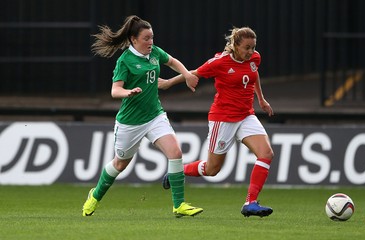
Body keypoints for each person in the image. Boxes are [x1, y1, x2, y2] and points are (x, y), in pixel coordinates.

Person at [82, 15, 203, 218]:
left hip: (154, 115)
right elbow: (115, 90)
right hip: (130, 122)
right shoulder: (125, 61)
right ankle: (95, 195)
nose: (151, 42)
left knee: (175, 153)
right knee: (120, 164)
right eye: (146, 38)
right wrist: (127, 92)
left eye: (152, 37)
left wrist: (187, 74)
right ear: (133, 39)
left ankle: (179, 204)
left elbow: (172, 61)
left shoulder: (154, 52)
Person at [159, 27, 274, 218]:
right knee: (212, 169)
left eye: (253, 47)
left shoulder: (254, 58)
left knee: (266, 154)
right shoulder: (220, 62)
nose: (251, 52)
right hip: (223, 119)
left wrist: (261, 99)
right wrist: (168, 83)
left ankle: (250, 202)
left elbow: (254, 74)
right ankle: (177, 173)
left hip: (246, 115)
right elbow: (193, 73)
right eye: (246, 47)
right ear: (235, 45)